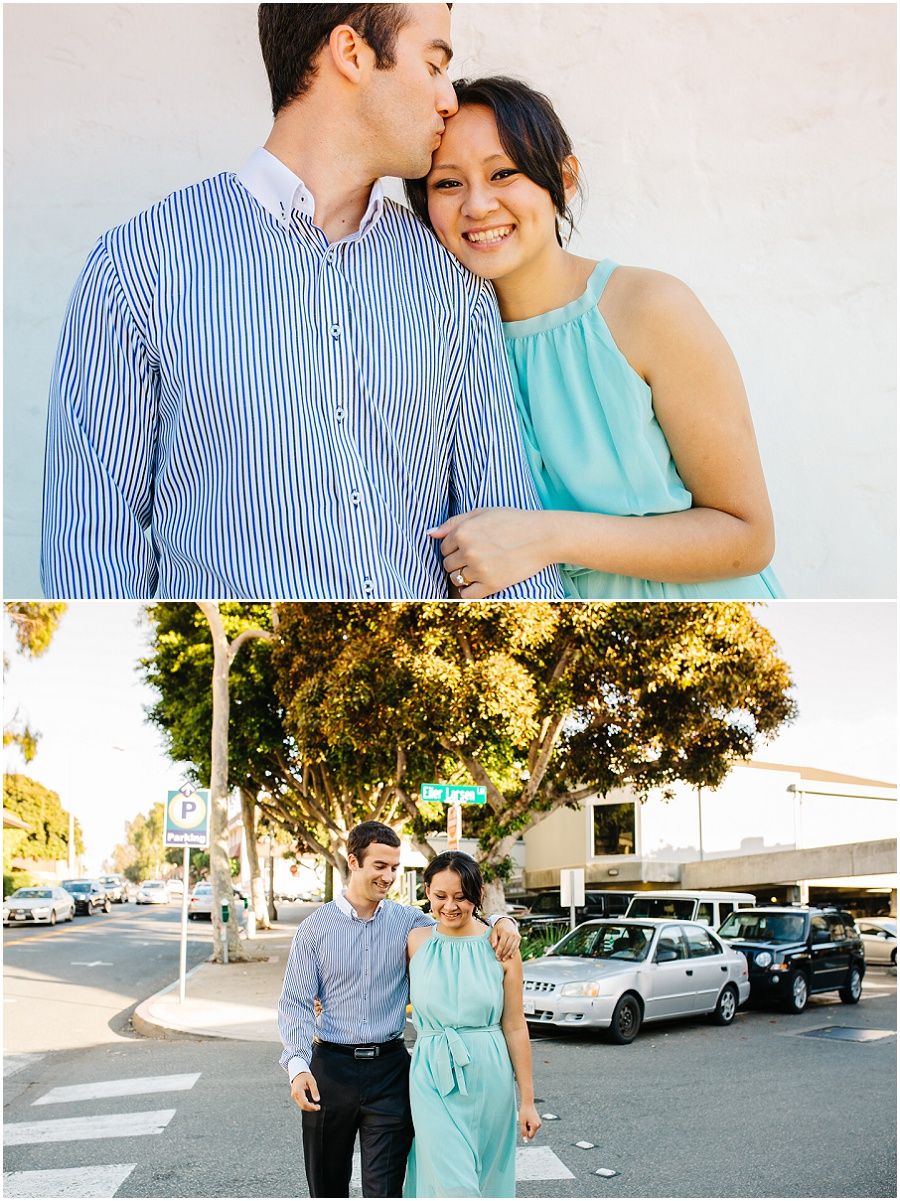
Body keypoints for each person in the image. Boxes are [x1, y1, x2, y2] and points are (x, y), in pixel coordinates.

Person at [40, 8, 563, 602]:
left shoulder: (450, 275)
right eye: (435, 64)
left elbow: (504, 531)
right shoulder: (140, 266)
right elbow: (90, 549)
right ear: (352, 52)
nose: (448, 99)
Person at [404, 77, 784, 600]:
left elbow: (748, 536)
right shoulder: (431, 340)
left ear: (563, 180)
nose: (477, 205)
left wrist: (549, 537)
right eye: (448, 183)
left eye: (503, 173)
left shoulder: (650, 308)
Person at [278, 821, 521, 1199]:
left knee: (386, 1189)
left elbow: (458, 920)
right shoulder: (314, 929)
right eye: (380, 866)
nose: (389, 876)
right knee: (326, 1187)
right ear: (353, 861)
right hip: (331, 1069)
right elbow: (295, 1003)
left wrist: (503, 921)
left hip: (391, 1071)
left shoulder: (409, 923)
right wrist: (297, 1067)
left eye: (394, 867)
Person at [404, 851, 540, 1198]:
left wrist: (527, 1100)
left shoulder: (501, 945)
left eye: (461, 897)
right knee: (453, 1186)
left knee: (489, 1182)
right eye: (441, 896)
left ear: (478, 894)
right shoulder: (415, 941)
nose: (450, 906)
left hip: (491, 1076)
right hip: (432, 1075)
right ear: (427, 892)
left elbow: (514, 1025)